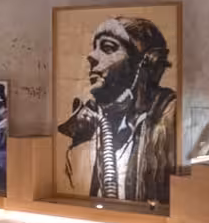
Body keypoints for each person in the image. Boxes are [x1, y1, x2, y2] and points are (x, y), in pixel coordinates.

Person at [58, 17, 178, 205]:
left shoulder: (170, 117)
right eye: (94, 47)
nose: (92, 56)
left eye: (108, 48)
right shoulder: (94, 125)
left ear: (146, 62)